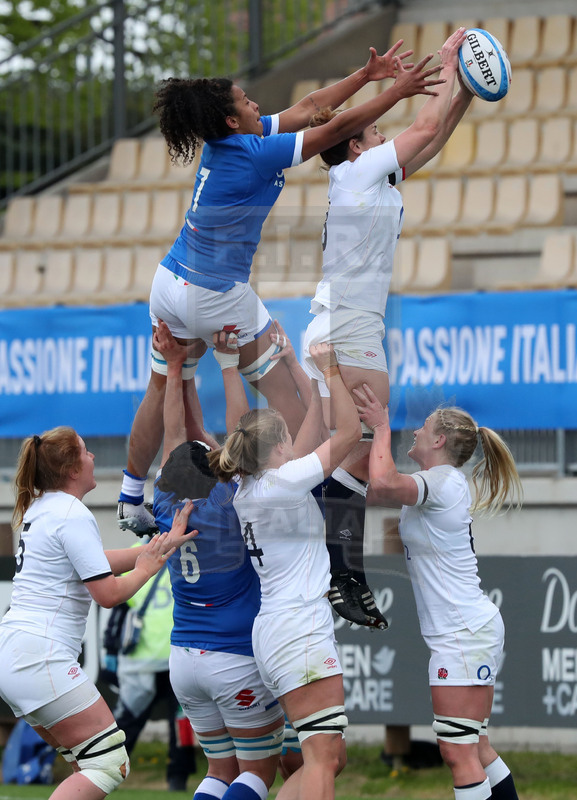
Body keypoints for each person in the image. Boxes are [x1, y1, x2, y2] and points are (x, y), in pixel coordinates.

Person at [117, 43, 446, 535]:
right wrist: (395, 90)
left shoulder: (231, 141)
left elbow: (310, 107)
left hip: (169, 279)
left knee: (162, 384)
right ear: (232, 121)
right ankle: (300, 495)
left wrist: (366, 73)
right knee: (292, 396)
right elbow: (331, 128)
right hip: (218, 294)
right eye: (246, 101)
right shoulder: (256, 150)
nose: (256, 106)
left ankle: (130, 495)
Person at [301, 27, 472, 628]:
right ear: (354, 147)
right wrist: (449, 66)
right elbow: (420, 131)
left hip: (343, 321)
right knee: (354, 452)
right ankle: (339, 575)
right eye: (373, 131)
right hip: (347, 323)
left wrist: (465, 94)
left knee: (337, 457)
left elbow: (430, 140)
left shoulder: (364, 176)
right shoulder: (355, 174)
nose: (381, 134)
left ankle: (333, 572)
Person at [0, 426, 195, 800]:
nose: (92, 458)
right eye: (87, 452)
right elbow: (107, 593)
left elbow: (93, 562)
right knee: (108, 764)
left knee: (85, 763)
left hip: (17, 655)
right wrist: (147, 568)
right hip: (40, 659)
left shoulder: (43, 506)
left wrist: (155, 548)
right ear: (73, 469)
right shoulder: (72, 513)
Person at [152, 320, 301, 800]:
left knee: (218, 772)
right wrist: (229, 364)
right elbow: (240, 433)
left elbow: (173, 429)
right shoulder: (232, 500)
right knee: (257, 773)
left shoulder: (165, 501)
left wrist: (175, 366)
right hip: (233, 655)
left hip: (184, 659)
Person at [209, 342, 362, 800]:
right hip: (300, 628)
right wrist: (331, 369)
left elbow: (301, 446)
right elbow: (349, 433)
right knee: (321, 758)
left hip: (274, 632)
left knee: (329, 758)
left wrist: (313, 387)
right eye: (286, 441)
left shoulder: (249, 486)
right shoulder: (282, 483)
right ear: (277, 447)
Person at [355, 383, 522, 800]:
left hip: (462, 634)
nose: (414, 432)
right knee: (475, 748)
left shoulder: (442, 481)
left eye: (423, 427)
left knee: (457, 750)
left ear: (440, 440)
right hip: (468, 629)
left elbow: (384, 481)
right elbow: (373, 489)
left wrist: (379, 426)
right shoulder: (439, 481)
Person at [108, 561, 197, 793]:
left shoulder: (137, 554)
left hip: (144, 660)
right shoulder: (190, 556)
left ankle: (106, 772)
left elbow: (118, 608)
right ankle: (177, 779)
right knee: (179, 724)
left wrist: (110, 649)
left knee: (129, 721)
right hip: (178, 654)